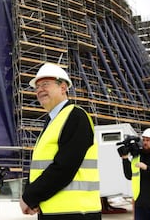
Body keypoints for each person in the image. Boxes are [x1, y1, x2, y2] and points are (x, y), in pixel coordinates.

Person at [19, 62, 102, 219]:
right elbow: (41, 167)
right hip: (54, 211)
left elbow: (64, 167)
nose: (39, 90)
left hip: (75, 213)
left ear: (63, 88)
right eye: (37, 87)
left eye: (45, 84)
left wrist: (29, 196)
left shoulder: (76, 116)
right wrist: (33, 198)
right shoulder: (53, 121)